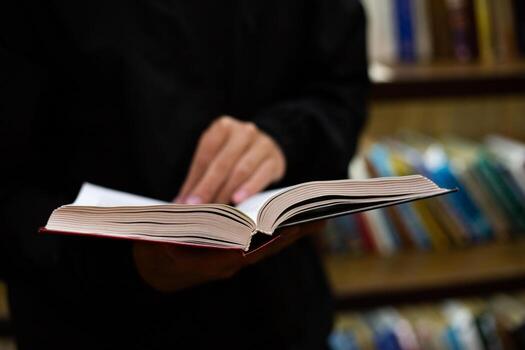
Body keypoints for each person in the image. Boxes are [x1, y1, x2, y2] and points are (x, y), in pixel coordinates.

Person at [0, 0, 368, 348]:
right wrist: (125, 268)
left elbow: (341, 90)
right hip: (91, 325)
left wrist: (283, 139)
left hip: (279, 314)